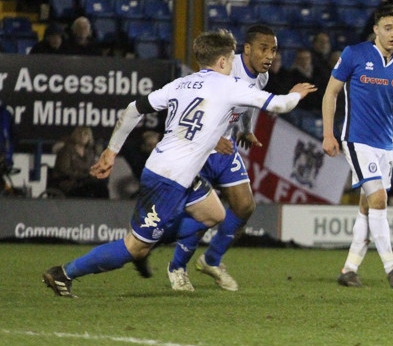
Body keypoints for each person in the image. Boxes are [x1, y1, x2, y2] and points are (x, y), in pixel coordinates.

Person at [42, 29, 317, 297]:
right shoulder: (229, 85)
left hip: (169, 164)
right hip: (168, 177)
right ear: (222, 61)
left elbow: (133, 109)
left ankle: (156, 242)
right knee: (134, 248)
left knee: (214, 214)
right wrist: (297, 93)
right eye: (230, 59)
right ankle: (64, 273)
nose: (233, 63)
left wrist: (111, 152)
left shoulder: (181, 83)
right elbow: (281, 105)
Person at [139, 24, 280, 291]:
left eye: (273, 49)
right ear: (247, 49)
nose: (269, 55)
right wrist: (214, 139)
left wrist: (246, 130)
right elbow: (191, 106)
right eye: (264, 48)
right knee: (202, 215)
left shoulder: (261, 77)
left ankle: (211, 260)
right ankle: (174, 266)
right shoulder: (225, 66)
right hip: (201, 148)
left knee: (244, 206)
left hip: (226, 151)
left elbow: (250, 102)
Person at [322, 4, 393, 289]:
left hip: (385, 144)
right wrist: (328, 134)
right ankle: (391, 268)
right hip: (356, 138)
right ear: (375, 29)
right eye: (388, 28)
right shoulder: (354, 54)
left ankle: (349, 269)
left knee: (367, 207)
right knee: (379, 199)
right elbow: (331, 93)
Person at [49, 126, 110, 198]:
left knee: (102, 187)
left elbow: (93, 168)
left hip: (86, 182)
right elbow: (64, 170)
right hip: (69, 183)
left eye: (85, 134)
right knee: (93, 188)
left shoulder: (90, 153)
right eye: (80, 133)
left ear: (89, 137)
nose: (82, 136)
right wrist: (83, 175)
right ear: (74, 135)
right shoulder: (66, 150)